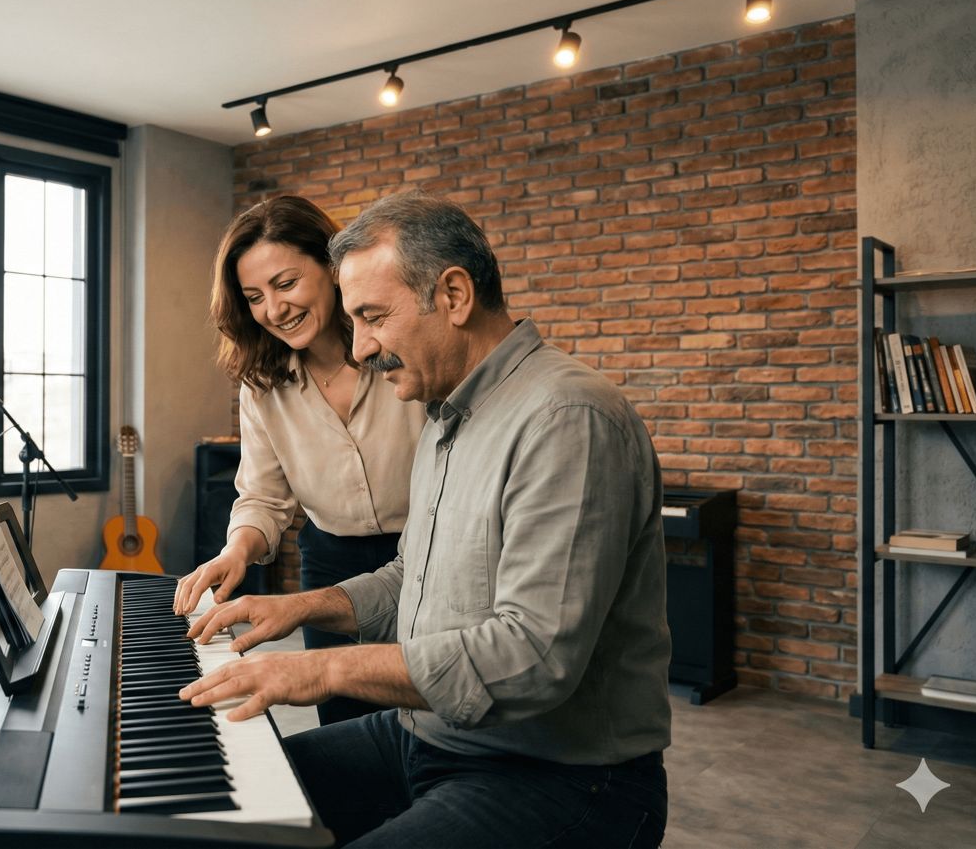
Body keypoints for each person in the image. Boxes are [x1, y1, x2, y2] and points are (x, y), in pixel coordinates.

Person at [179, 190, 672, 848]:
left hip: (558, 773)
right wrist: (297, 608)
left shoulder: (566, 417)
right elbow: (407, 576)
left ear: (455, 295)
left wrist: (318, 670)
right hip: (431, 733)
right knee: (225, 813)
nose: (359, 347)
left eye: (373, 316)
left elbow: (531, 658)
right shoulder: (447, 415)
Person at [173, 195, 424, 726]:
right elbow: (263, 496)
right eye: (254, 297)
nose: (273, 309)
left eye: (286, 284)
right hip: (331, 564)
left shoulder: (403, 351)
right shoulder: (261, 383)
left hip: (428, 557)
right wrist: (236, 551)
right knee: (347, 726)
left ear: (333, 269)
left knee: (433, 716)